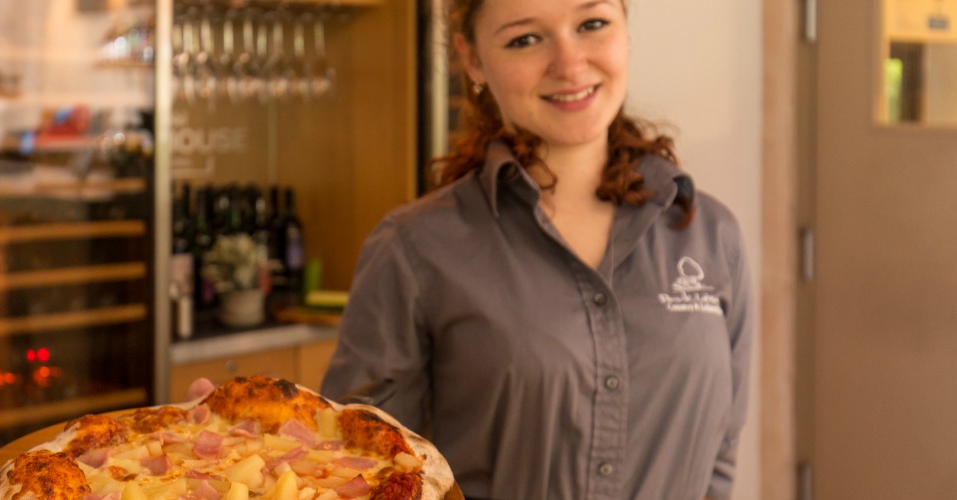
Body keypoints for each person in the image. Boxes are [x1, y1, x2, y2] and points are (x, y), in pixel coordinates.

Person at [319, 0, 754, 499]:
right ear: (473, 58)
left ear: (625, 28)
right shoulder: (413, 249)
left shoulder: (710, 234)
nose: (569, 64)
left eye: (592, 24)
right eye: (525, 39)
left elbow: (719, 455)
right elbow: (351, 473)